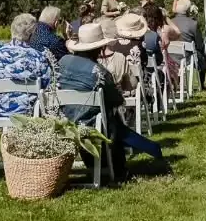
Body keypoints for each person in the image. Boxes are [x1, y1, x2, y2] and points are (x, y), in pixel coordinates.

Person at [59, 24, 164, 181]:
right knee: (114, 122)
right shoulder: (99, 72)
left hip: (64, 122)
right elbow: (117, 100)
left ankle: (146, 153)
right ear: (98, 48)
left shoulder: (62, 62)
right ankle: (122, 166)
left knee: (112, 121)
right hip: (95, 127)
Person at [0, 13, 54, 118]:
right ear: (32, 33)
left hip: (0, 111)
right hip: (29, 112)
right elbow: (48, 86)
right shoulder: (38, 57)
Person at [171, 0, 206, 88]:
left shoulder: (170, 22)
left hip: (171, 56)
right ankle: (201, 83)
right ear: (188, 10)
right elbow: (199, 44)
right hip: (187, 57)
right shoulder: (193, 24)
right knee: (202, 57)